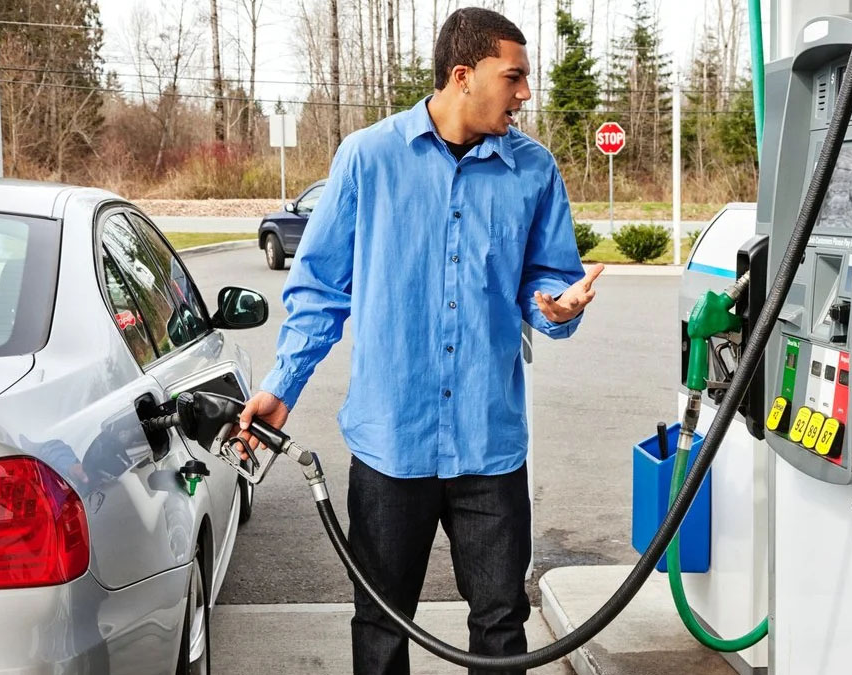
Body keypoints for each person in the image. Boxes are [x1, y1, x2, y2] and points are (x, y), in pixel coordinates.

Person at [236, 7, 603, 674]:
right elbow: (319, 293)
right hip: (389, 446)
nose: (525, 93)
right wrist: (279, 388)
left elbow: (547, 285)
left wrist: (556, 307)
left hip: (489, 448)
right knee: (381, 626)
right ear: (463, 76)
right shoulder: (367, 158)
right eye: (514, 76)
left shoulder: (535, 170)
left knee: (501, 627)